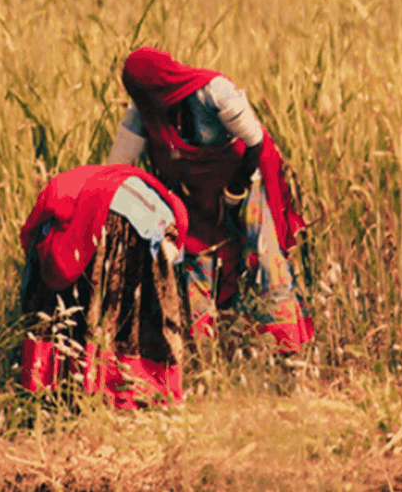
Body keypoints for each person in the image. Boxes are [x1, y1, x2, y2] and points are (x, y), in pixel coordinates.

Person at [108, 47, 312, 352]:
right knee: (195, 258)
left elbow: (254, 142)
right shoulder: (144, 109)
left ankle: (285, 351)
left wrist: (235, 192)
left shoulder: (214, 92)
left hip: (244, 178)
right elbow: (118, 166)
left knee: (262, 255)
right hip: (194, 189)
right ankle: (209, 352)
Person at [19, 164, 190, 408]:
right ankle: (132, 389)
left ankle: (61, 383)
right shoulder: (169, 212)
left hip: (102, 213)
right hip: (134, 223)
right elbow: (167, 257)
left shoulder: (129, 184)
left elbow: (34, 227)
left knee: (74, 303)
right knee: (126, 310)